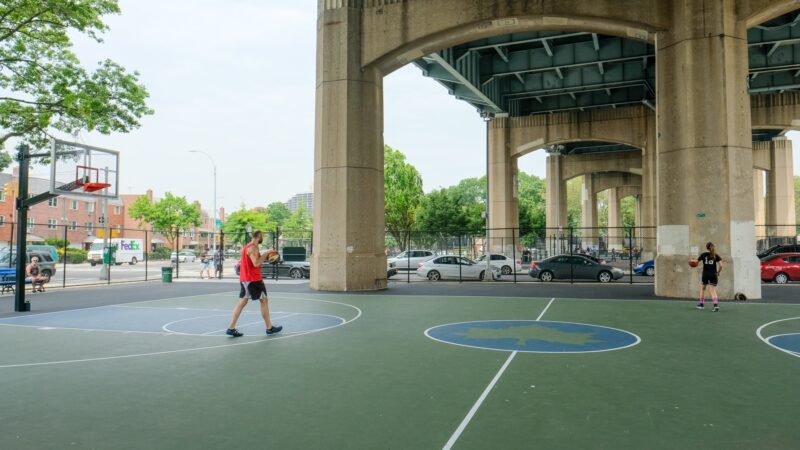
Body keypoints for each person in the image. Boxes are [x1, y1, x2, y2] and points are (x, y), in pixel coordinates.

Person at [225, 230, 283, 337]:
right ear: (258, 236)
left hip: (245, 279)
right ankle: (269, 328)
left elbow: (254, 261)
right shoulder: (252, 248)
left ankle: (231, 328)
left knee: (242, 302)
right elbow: (256, 263)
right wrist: (266, 254)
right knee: (264, 300)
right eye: (262, 236)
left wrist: (265, 254)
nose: (263, 238)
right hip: (253, 280)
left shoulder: (248, 246)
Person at [691, 242, 723, 312]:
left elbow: (696, 261)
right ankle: (715, 305)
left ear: (706, 247)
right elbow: (721, 265)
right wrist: (718, 272)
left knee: (703, 289)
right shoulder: (716, 255)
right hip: (714, 274)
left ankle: (701, 304)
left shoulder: (703, 255)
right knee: (712, 290)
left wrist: (692, 260)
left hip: (705, 274)